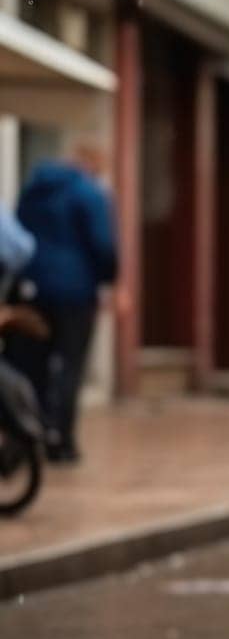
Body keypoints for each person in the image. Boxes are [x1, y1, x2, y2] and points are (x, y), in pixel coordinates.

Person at [9, 138, 119, 465]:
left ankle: (25, 434)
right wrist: (107, 279)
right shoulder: (89, 193)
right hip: (75, 293)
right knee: (70, 366)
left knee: (30, 365)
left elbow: (17, 232)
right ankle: (61, 441)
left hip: (31, 288)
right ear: (93, 161)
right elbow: (103, 245)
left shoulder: (34, 187)